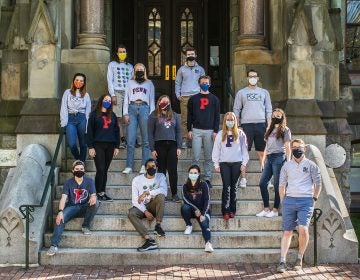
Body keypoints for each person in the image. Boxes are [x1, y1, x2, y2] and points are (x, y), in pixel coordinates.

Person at [277, 139, 321, 273]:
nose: (297, 149)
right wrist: (283, 200)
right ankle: (282, 261)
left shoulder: (311, 165)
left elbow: (318, 184)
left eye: (299, 147)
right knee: (287, 231)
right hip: (289, 201)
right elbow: (281, 185)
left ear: (304, 149)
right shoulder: (286, 166)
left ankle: (299, 259)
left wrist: (314, 199)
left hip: (305, 201)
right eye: (294, 147)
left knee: (303, 229)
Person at [47, 160, 99, 256]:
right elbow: (63, 198)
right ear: (73, 170)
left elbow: (93, 194)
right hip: (72, 207)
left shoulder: (89, 181)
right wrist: (60, 211)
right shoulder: (68, 183)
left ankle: (85, 226)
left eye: (81, 169)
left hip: (84, 207)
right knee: (60, 219)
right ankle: (54, 245)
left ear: (84, 170)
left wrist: (93, 197)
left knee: (96, 203)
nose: (79, 170)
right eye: (77, 169)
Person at [212, 112, 249, 220]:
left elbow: (244, 150)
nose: (230, 121)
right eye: (228, 120)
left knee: (234, 188)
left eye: (232, 119)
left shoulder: (240, 133)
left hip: (237, 163)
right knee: (226, 187)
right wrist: (216, 163)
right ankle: (225, 210)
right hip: (224, 164)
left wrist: (244, 163)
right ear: (224, 121)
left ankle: (233, 210)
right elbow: (216, 149)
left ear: (235, 121)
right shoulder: (220, 134)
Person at [256, 108, 291, 218]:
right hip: (269, 158)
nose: (276, 117)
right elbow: (266, 146)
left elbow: (287, 147)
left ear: (282, 117)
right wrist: (263, 160)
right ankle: (266, 209)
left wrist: (288, 162)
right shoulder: (269, 129)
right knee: (262, 183)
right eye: (274, 115)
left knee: (277, 185)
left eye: (278, 116)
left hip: (279, 157)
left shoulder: (285, 130)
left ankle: (275, 210)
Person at [233, 69, 272, 165]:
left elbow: (269, 109)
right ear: (247, 78)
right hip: (246, 125)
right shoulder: (241, 93)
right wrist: (237, 125)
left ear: (258, 78)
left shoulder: (264, 92)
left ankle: (265, 178)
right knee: (244, 153)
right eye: (250, 76)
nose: (252, 78)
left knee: (262, 152)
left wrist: (269, 126)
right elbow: (236, 109)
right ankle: (243, 178)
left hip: (261, 125)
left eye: (254, 76)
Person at [128, 158, 167, 251]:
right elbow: (134, 200)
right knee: (131, 213)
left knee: (161, 196)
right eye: (148, 166)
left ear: (156, 167)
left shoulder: (161, 176)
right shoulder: (137, 180)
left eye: (153, 166)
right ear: (145, 168)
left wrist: (147, 192)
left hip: (154, 205)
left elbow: (164, 191)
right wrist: (145, 211)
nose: (151, 168)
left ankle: (158, 226)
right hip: (142, 207)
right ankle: (149, 240)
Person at [122, 63, 155, 174]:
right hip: (132, 108)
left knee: (146, 140)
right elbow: (126, 98)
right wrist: (125, 113)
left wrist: (152, 114)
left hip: (145, 108)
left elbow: (152, 99)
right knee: (130, 139)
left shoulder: (149, 83)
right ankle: (129, 166)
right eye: (137, 69)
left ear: (144, 71)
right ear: (134, 71)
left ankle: (144, 165)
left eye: (141, 69)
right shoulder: (130, 83)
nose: (139, 71)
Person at [148, 95, 182, 202]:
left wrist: (179, 146)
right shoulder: (153, 115)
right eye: (163, 101)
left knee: (172, 170)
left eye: (167, 102)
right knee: (161, 170)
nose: (165, 103)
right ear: (159, 102)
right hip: (159, 145)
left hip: (172, 145)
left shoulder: (175, 115)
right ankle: (162, 193)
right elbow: (150, 133)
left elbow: (179, 132)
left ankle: (174, 193)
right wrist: (152, 148)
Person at [187, 75, 220, 186]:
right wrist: (189, 129)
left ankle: (207, 179)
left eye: (206, 82)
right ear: (199, 83)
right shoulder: (193, 99)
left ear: (209, 84)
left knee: (208, 157)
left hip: (209, 131)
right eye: (202, 82)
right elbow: (189, 115)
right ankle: (194, 178)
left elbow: (217, 116)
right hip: (196, 129)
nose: (204, 84)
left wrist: (215, 130)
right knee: (195, 156)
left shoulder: (215, 99)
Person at [86, 94, 120, 202]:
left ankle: (102, 192)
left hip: (110, 145)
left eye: (109, 100)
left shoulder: (113, 115)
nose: (107, 102)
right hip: (98, 145)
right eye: (105, 99)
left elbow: (116, 131)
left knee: (105, 170)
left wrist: (117, 146)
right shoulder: (94, 114)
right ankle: (96, 193)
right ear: (101, 100)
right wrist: (90, 146)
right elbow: (90, 131)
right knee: (100, 169)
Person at [175, 47, 205, 149]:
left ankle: (197, 140)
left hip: (197, 97)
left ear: (195, 55)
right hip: (185, 97)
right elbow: (178, 82)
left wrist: (203, 94)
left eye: (192, 54)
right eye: (188, 54)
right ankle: (184, 140)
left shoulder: (200, 69)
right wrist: (178, 95)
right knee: (184, 120)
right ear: (186, 56)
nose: (190, 56)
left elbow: (204, 82)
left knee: (198, 119)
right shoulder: (181, 69)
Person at [181, 165, 213, 252]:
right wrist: (195, 209)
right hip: (192, 210)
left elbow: (207, 200)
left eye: (195, 173)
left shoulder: (204, 184)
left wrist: (202, 214)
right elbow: (185, 199)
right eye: (191, 173)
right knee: (184, 207)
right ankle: (189, 225)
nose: (193, 174)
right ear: (188, 174)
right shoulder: (185, 186)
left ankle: (208, 243)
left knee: (205, 224)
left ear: (198, 174)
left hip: (203, 211)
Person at [107, 44, 134, 148]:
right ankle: (121, 139)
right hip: (117, 92)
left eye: (124, 52)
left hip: (128, 93)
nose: (122, 54)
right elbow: (110, 80)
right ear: (117, 53)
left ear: (126, 53)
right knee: (117, 117)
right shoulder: (112, 64)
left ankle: (130, 138)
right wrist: (112, 94)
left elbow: (132, 81)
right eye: (120, 52)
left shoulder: (130, 66)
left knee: (127, 116)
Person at [60, 73, 91, 162]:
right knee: (72, 144)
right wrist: (63, 122)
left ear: (84, 83)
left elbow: (88, 111)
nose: (79, 82)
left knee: (83, 143)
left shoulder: (86, 95)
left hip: (82, 118)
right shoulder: (67, 92)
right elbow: (64, 108)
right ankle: (79, 160)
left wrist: (87, 126)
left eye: (81, 81)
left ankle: (81, 164)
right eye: (77, 80)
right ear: (73, 81)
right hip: (70, 119)